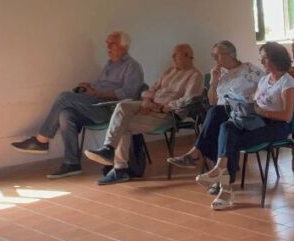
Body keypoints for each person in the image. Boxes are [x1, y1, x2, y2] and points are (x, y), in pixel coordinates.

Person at [10, 31, 144, 179]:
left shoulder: (133, 66)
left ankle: (41, 140)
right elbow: (102, 86)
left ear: (123, 46)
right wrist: (90, 87)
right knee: (66, 113)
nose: (108, 47)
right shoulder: (110, 64)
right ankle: (71, 163)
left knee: (64, 97)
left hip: (112, 110)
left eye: (111, 43)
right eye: (107, 43)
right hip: (98, 105)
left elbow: (129, 94)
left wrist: (96, 93)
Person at [193, 42, 294, 210]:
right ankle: (222, 173)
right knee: (227, 127)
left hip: (277, 126)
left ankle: (225, 186)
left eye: (264, 58)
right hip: (257, 119)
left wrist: (262, 113)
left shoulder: (287, 82)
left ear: (275, 59)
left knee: (230, 139)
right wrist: (242, 106)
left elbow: (287, 116)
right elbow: (256, 102)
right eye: (261, 58)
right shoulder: (264, 79)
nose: (261, 61)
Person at [84, 44, 204, 185]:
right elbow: (152, 88)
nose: (172, 57)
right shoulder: (169, 71)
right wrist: (147, 101)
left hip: (167, 114)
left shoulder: (195, 75)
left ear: (187, 56)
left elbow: (188, 100)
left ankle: (120, 169)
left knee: (123, 125)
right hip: (151, 105)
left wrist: (162, 107)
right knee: (122, 106)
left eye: (175, 55)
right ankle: (108, 148)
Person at [165, 41, 263, 186]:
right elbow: (212, 101)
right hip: (222, 113)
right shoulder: (220, 73)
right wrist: (214, 81)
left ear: (229, 54)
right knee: (217, 114)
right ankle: (221, 178)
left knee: (216, 114)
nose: (214, 59)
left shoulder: (250, 69)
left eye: (216, 55)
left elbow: (266, 90)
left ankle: (197, 154)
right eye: (213, 56)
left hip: (244, 112)